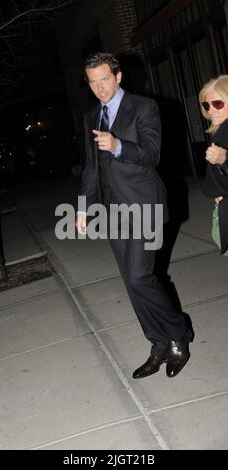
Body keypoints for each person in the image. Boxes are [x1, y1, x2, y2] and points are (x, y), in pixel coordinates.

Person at [76, 52, 192, 379]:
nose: (99, 88)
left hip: (143, 205)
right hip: (113, 211)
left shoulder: (143, 107)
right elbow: (91, 166)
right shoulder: (90, 117)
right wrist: (84, 206)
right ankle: (159, 344)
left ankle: (179, 331)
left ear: (118, 77)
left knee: (142, 276)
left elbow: (152, 154)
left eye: (104, 79)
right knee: (131, 283)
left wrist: (117, 145)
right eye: (92, 82)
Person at [199, 75, 228, 254]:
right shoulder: (220, 131)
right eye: (206, 105)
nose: (211, 110)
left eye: (218, 104)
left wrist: (225, 160)